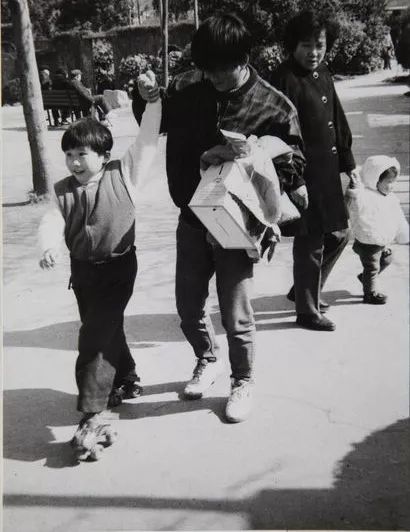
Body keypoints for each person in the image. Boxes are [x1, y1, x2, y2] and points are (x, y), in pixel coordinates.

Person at [134, 13, 305, 423]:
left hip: (237, 225)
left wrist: (254, 159)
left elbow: (296, 163)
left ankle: (242, 380)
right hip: (192, 217)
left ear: (243, 59)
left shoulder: (274, 105)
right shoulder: (188, 86)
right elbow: (155, 121)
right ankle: (206, 358)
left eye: (219, 70)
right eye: (205, 69)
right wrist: (147, 97)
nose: (211, 78)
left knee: (235, 312)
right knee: (188, 305)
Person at [38, 72, 161, 460]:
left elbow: (146, 141)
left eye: (82, 154)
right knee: (105, 326)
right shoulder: (63, 191)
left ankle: (92, 411)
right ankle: (127, 376)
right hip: (83, 272)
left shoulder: (124, 174)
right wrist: (49, 246)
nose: (74, 162)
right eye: (69, 155)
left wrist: (153, 103)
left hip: (118, 268)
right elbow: (52, 221)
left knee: (93, 337)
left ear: (104, 156)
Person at [270, 10, 359, 331]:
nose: (314, 52)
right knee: (311, 241)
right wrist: (292, 180)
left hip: (328, 171)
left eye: (319, 45)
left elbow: (337, 119)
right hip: (303, 175)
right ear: (293, 45)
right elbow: (277, 135)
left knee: (340, 233)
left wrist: (349, 163)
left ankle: (304, 289)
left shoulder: (324, 73)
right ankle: (307, 311)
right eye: (306, 45)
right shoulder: (283, 80)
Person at [346, 155, 409, 304]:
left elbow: (398, 216)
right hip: (368, 241)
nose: (391, 186)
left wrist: (403, 234)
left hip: (381, 240)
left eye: (393, 182)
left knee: (387, 259)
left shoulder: (390, 197)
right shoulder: (366, 196)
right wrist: (355, 190)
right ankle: (370, 293)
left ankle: (366, 278)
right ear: (375, 180)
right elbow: (356, 206)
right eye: (388, 182)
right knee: (372, 267)